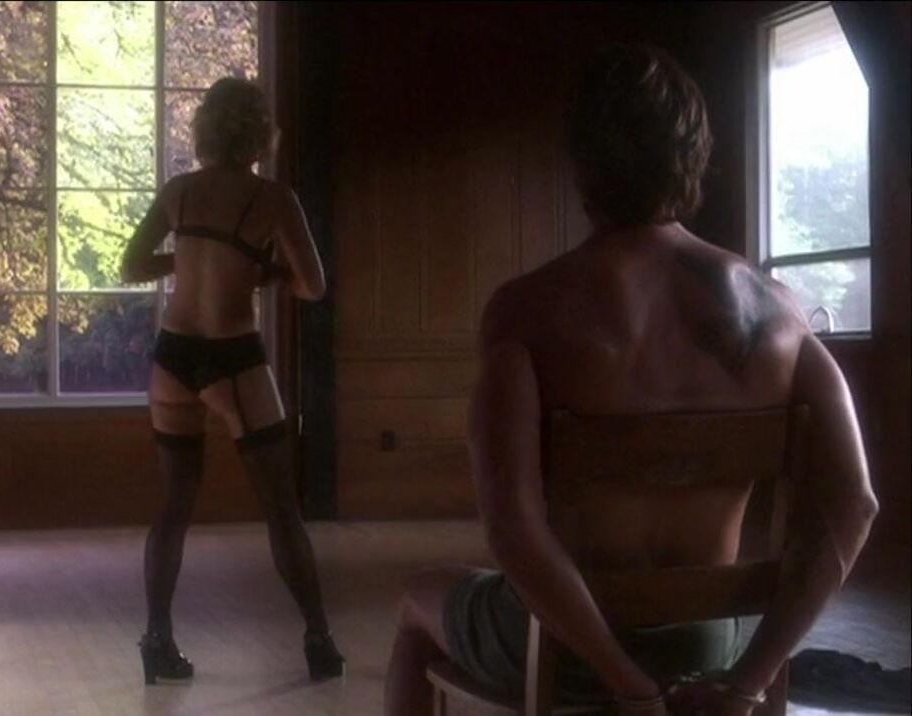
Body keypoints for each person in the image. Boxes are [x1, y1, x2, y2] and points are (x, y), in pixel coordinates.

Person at [384, 44, 878, 716]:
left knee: (418, 598)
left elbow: (514, 533)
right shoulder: (779, 315)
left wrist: (626, 683)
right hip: (706, 644)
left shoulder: (526, 313)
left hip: (571, 648)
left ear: (582, 162)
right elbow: (854, 504)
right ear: (694, 155)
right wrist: (748, 681)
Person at [121, 78, 344, 685]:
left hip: (173, 356)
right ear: (259, 132)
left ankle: (157, 638)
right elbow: (314, 286)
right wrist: (263, 269)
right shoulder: (273, 199)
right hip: (233, 358)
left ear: (204, 129)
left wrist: (191, 256)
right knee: (280, 509)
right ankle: (319, 640)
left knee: (173, 506)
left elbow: (132, 264)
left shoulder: (179, 191)